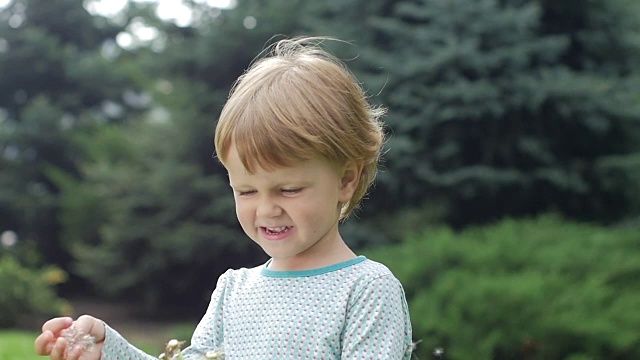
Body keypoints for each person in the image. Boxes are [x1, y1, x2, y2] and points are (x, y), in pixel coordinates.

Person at [35, 36, 413, 360]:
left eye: (289, 189)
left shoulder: (366, 289)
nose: (266, 208)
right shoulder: (233, 290)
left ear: (347, 179)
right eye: (247, 191)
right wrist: (109, 349)